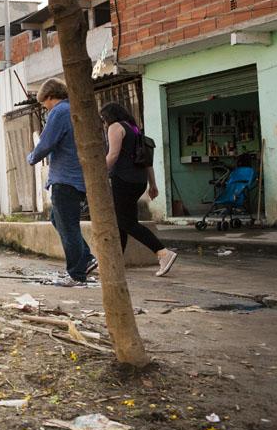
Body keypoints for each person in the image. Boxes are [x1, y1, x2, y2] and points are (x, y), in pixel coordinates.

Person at [27, 79, 97, 286]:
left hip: (65, 178)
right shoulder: (74, 110)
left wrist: (31, 157)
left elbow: (46, 143)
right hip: (76, 177)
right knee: (58, 220)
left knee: (68, 226)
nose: (44, 107)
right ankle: (86, 258)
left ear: (49, 96)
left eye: (44, 103)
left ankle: (76, 274)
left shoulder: (59, 112)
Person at [101, 102, 178, 277]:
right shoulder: (135, 129)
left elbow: (112, 155)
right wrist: (153, 184)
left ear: (110, 116)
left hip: (123, 179)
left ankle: (163, 253)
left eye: (104, 118)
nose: (104, 123)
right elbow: (147, 161)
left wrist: (96, 174)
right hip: (138, 181)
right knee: (121, 221)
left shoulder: (115, 127)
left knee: (126, 222)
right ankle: (115, 263)